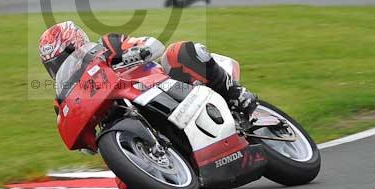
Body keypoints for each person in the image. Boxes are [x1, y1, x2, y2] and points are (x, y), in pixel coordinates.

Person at [38, 21, 259, 121]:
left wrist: (135, 53)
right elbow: (79, 139)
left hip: (165, 85)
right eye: (54, 66)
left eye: (62, 60)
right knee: (129, 188)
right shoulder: (64, 98)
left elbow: (153, 45)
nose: (59, 69)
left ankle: (236, 95)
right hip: (131, 120)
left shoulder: (109, 45)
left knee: (181, 52)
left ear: (77, 45)